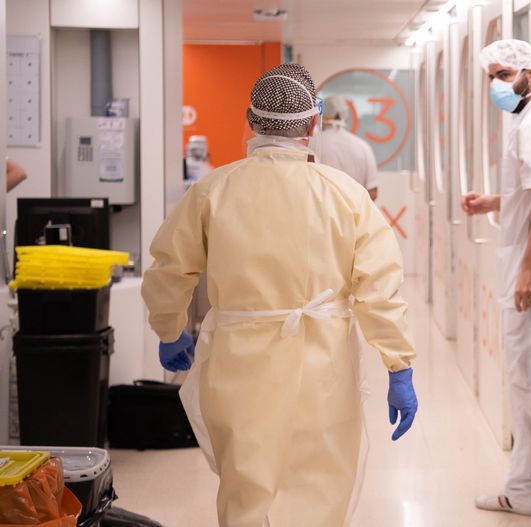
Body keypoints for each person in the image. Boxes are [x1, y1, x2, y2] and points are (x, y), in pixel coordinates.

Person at [141, 63, 418, 527]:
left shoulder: (212, 191)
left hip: (238, 362)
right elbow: (380, 290)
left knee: (245, 480)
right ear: (313, 124)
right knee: (320, 481)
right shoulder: (347, 196)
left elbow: (169, 269)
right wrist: (398, 365)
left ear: (250, 121)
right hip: (323, 364)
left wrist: (169, 329)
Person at [462, 39, 531, 517]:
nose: (497, 86)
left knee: (530, 382)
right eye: (492, 78)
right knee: (522, 386)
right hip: (523, 265)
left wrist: (529, 269)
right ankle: (521, 488)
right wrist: (494, 202)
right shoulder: (529, 119)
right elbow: (527, 194)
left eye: (503, 75)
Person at [309, 96, 380, 200]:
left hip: (322, 208)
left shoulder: (311, 144)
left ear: (320, 115)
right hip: (355, 208)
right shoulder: (363, 147)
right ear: (345, 116)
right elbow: (373, 192)